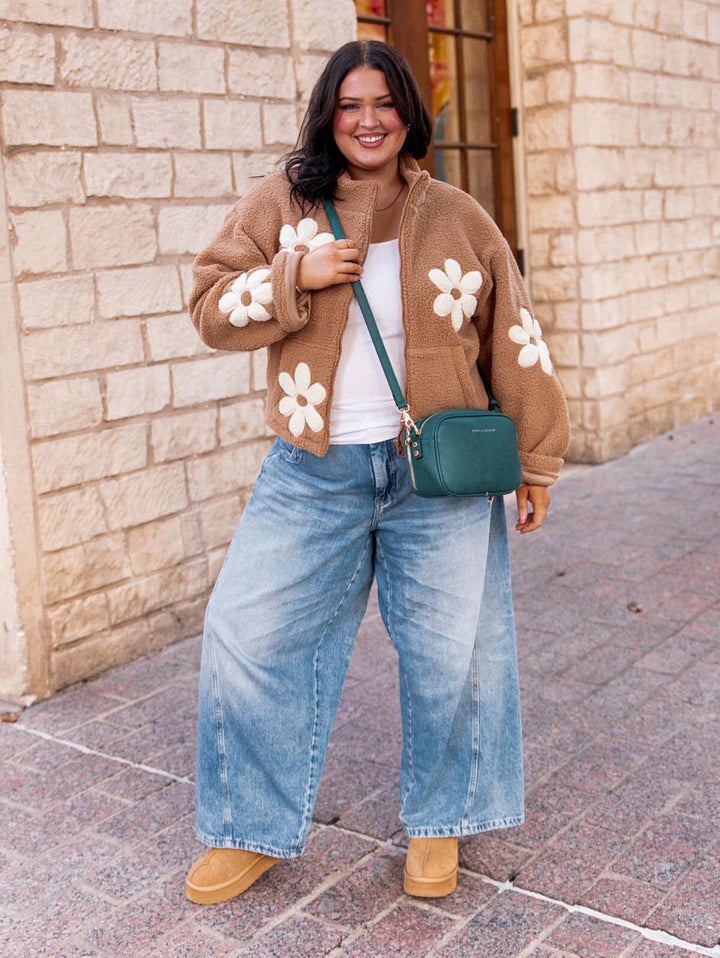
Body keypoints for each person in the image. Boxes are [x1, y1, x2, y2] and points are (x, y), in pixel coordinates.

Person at [185, 39, 570, 905]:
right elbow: (210, 306)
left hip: (438, 476)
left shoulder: (460, 216)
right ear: (329, 114)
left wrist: (537, 458)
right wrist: (295, 275)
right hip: (312, 468)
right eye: (350, 105)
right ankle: (249, 826)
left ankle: (440, 822)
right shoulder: (284, 206)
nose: (368, 120)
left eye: (385, 104)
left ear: (408, 114)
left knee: (451, 652)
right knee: (244, 633)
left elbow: (517, 336)